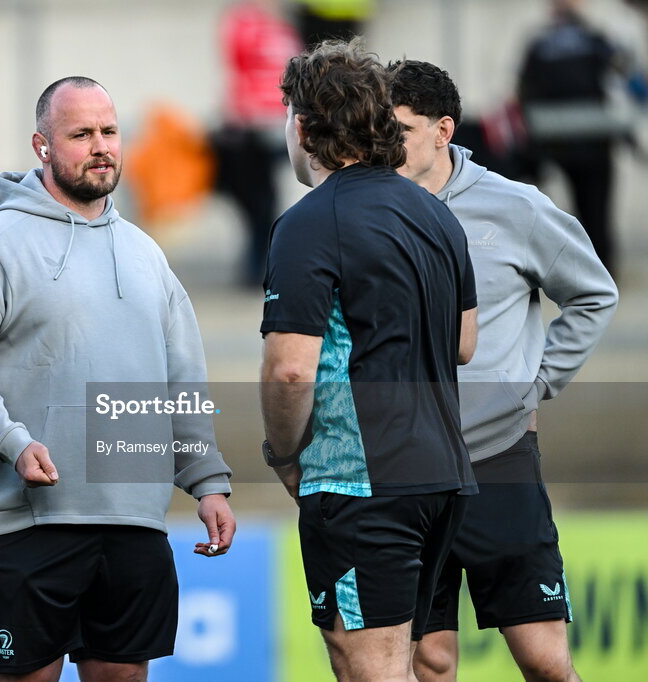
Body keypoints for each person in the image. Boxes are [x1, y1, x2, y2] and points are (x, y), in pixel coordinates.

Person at [0, 76, 235, 681]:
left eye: (110, 131)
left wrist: (207, 481)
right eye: (81, 133)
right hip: (29, 522)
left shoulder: (148, 256)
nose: (101, 146)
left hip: (134, 523)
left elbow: (183, 380)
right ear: (41, 145)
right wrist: (10, 441)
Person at [390, 59, 618, 682]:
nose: (387, 147)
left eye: (401, 130)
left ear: (443, 129)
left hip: (498, 456)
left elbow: (594, 294)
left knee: (544, 659)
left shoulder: (514, 205)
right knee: (431, 660)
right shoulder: (369, 210)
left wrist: (538, 382)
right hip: (405, 468)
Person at [259, 40, 477, 681]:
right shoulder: (436, 215)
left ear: (301, 125)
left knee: (371, 670)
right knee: (397, 666)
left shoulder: (310, 221)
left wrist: (283, 454)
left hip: (362, 483)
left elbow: (290, 370)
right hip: (442, 478)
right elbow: (467, 342)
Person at [518, 0, 630, 275]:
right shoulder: (596, 39)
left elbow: (525, 89)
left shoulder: (541, 43)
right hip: (593, 143)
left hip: (557, 144)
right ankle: (601, 270)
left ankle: (578, 269)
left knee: (563, 213)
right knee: (596, 211)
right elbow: (622, 72)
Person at [215, 0, 301, 286]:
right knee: (259, 204)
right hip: (251, 126)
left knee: (269, 202)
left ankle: (262, 266)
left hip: (277, 123)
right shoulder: (245, 22)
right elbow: (239, 72)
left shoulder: (280, 25)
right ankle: (257, 269)